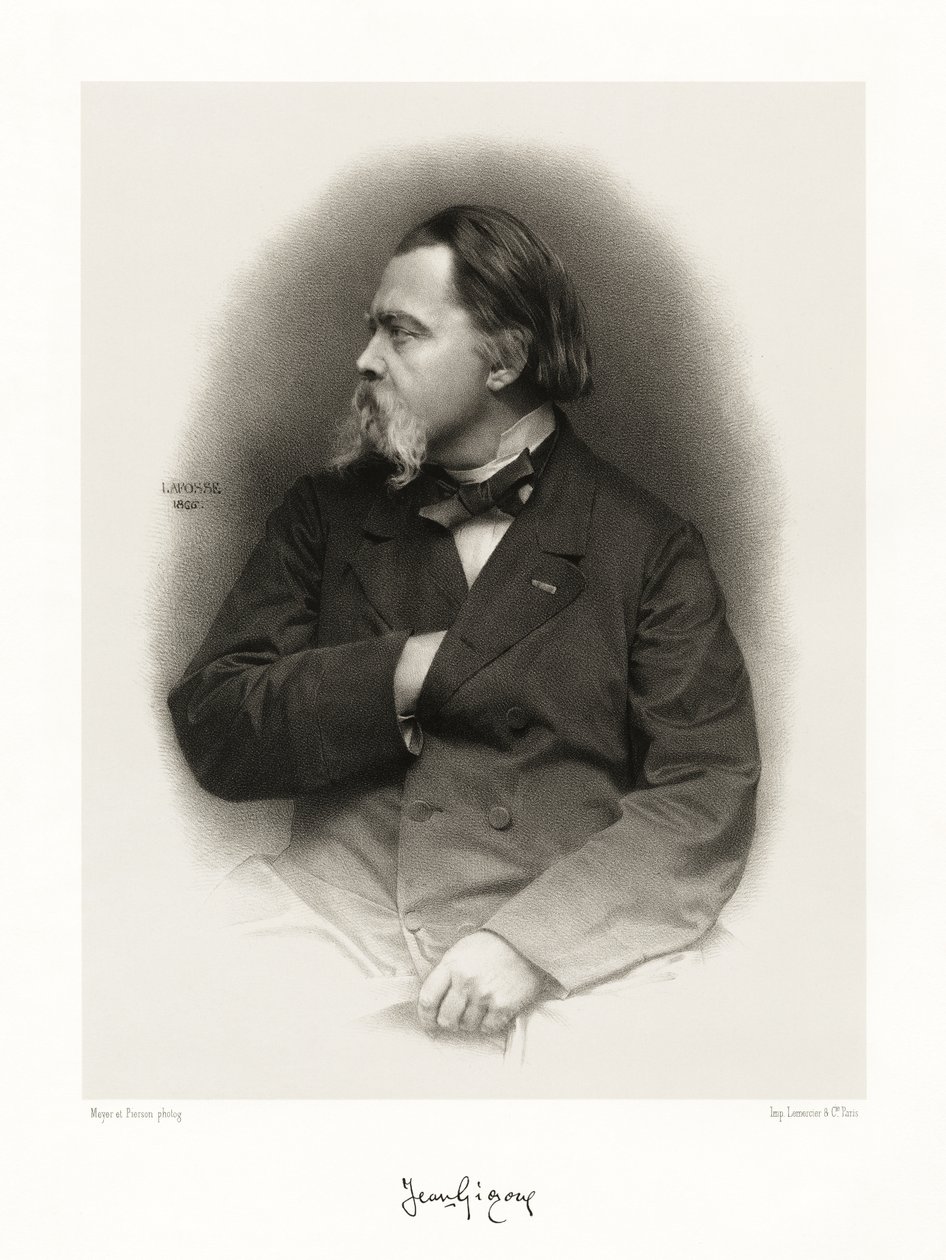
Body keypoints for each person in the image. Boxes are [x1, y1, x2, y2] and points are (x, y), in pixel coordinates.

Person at [168, 204, 760, 1053]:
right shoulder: (324, 515)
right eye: (371, 328)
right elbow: (215, 721)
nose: (365, 358)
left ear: (505, 358)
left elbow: (706, 791)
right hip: (329, 931)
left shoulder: (649, 546)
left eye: (402, 333)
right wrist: (405, 673)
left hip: (561, 954)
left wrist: (531, 947)